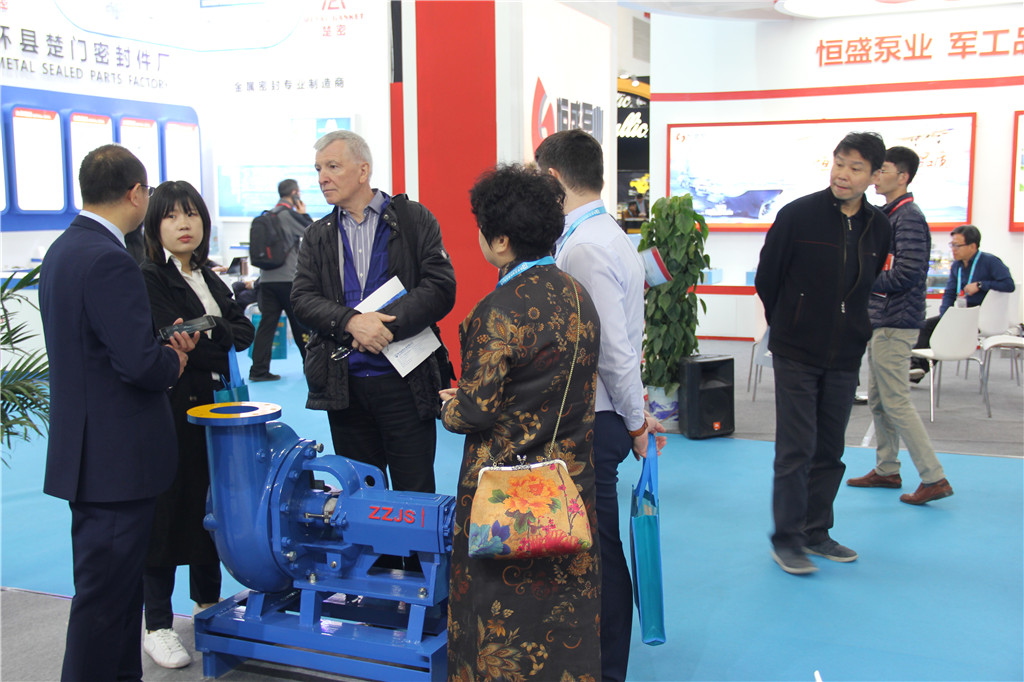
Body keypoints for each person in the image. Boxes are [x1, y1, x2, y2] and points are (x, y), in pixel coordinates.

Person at [38, 144, 197, 681]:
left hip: (90, 453)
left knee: (116, 595)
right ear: (135, 194)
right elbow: (138, 364)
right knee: (105, 602)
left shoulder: (64, 249)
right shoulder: (110, 258)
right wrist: (172, 359)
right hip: (116, 461)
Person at [439, 163, 602, 682]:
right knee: (564, 613)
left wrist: (449, 405)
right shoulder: (578, 296)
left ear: (501, 240)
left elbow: (476, 411)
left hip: (505, 497)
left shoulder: (498, 310)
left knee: (497, 616)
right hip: (568, 486)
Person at [535, 128, 665, 682]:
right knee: (593, 546)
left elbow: (611, 349)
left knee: (599, 552)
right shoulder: (600, 234)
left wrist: (636, 422)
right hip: (603, 413)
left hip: (596, 417)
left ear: (552, 178)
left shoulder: (585, 247)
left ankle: (608, 669)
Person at [755, 132, 892, 575]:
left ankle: (816, 531)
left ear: (873, 176)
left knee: (830, 449)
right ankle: (787, 539)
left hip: (845, 354)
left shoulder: (879, 226)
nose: (843, 174)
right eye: (839, 163)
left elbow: (867, 282)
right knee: (795, 449)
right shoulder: (798, 215)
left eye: (855, 168)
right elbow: (768, 277)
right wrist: (789, 321)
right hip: (796, 350)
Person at [291, 130, 456, 494]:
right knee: (361, 496)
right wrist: (351, 322)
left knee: (414, 494)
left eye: (333, 166)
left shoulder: (413, 220)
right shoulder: (317, 235)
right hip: (344, 387)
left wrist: (383, 327)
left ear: (363, 170)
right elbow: (302, 298)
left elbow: (440, 287)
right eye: (318, 169)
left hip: (406, 384)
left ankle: (413, 539)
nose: (322, 178)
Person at [139, 181, 255, 668]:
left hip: (218, 406)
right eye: (171, 216)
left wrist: (210, 330)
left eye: (191, 214)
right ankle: (157, 624)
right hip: (171, 409)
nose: (183, 224)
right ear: (155, 225)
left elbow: (242, 334)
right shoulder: (149, 276)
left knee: (212, 506)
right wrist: (214, 334)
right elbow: (174, 336)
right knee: (167, 510)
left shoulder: (211, 277)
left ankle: (208, 604)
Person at [846, 147, 954, 505]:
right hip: (882, 320)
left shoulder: (908, 217)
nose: (876, 176)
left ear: (903, 177)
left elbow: (908, 272)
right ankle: (887, 469)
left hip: (896, 321)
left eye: (883, 170)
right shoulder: (889, 215)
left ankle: (933, 477)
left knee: (895, 401)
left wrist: (863, 280)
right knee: (880, 400)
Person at [910, 224, 1016, 380]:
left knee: (945, 330)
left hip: (981, 316)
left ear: (972, 246)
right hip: (961, 314)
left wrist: (981, 285)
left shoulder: (990, 262)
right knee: (928, 325)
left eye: (957, 245)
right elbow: (950, 292)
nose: (953, 249)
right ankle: (916, 366)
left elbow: (1009, 284)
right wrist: (945, 315)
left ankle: (920, 367)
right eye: (952, 245)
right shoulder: (957, 266)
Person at [249, 178, 313, 381]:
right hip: (288, 280)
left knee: (266, 326)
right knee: (300, 324)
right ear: (294, 193)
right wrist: (303, 214)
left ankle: (258, 370)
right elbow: (313, 231)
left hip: (266, 280)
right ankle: (311, 366)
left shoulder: (268, 215)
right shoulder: (288, 215)